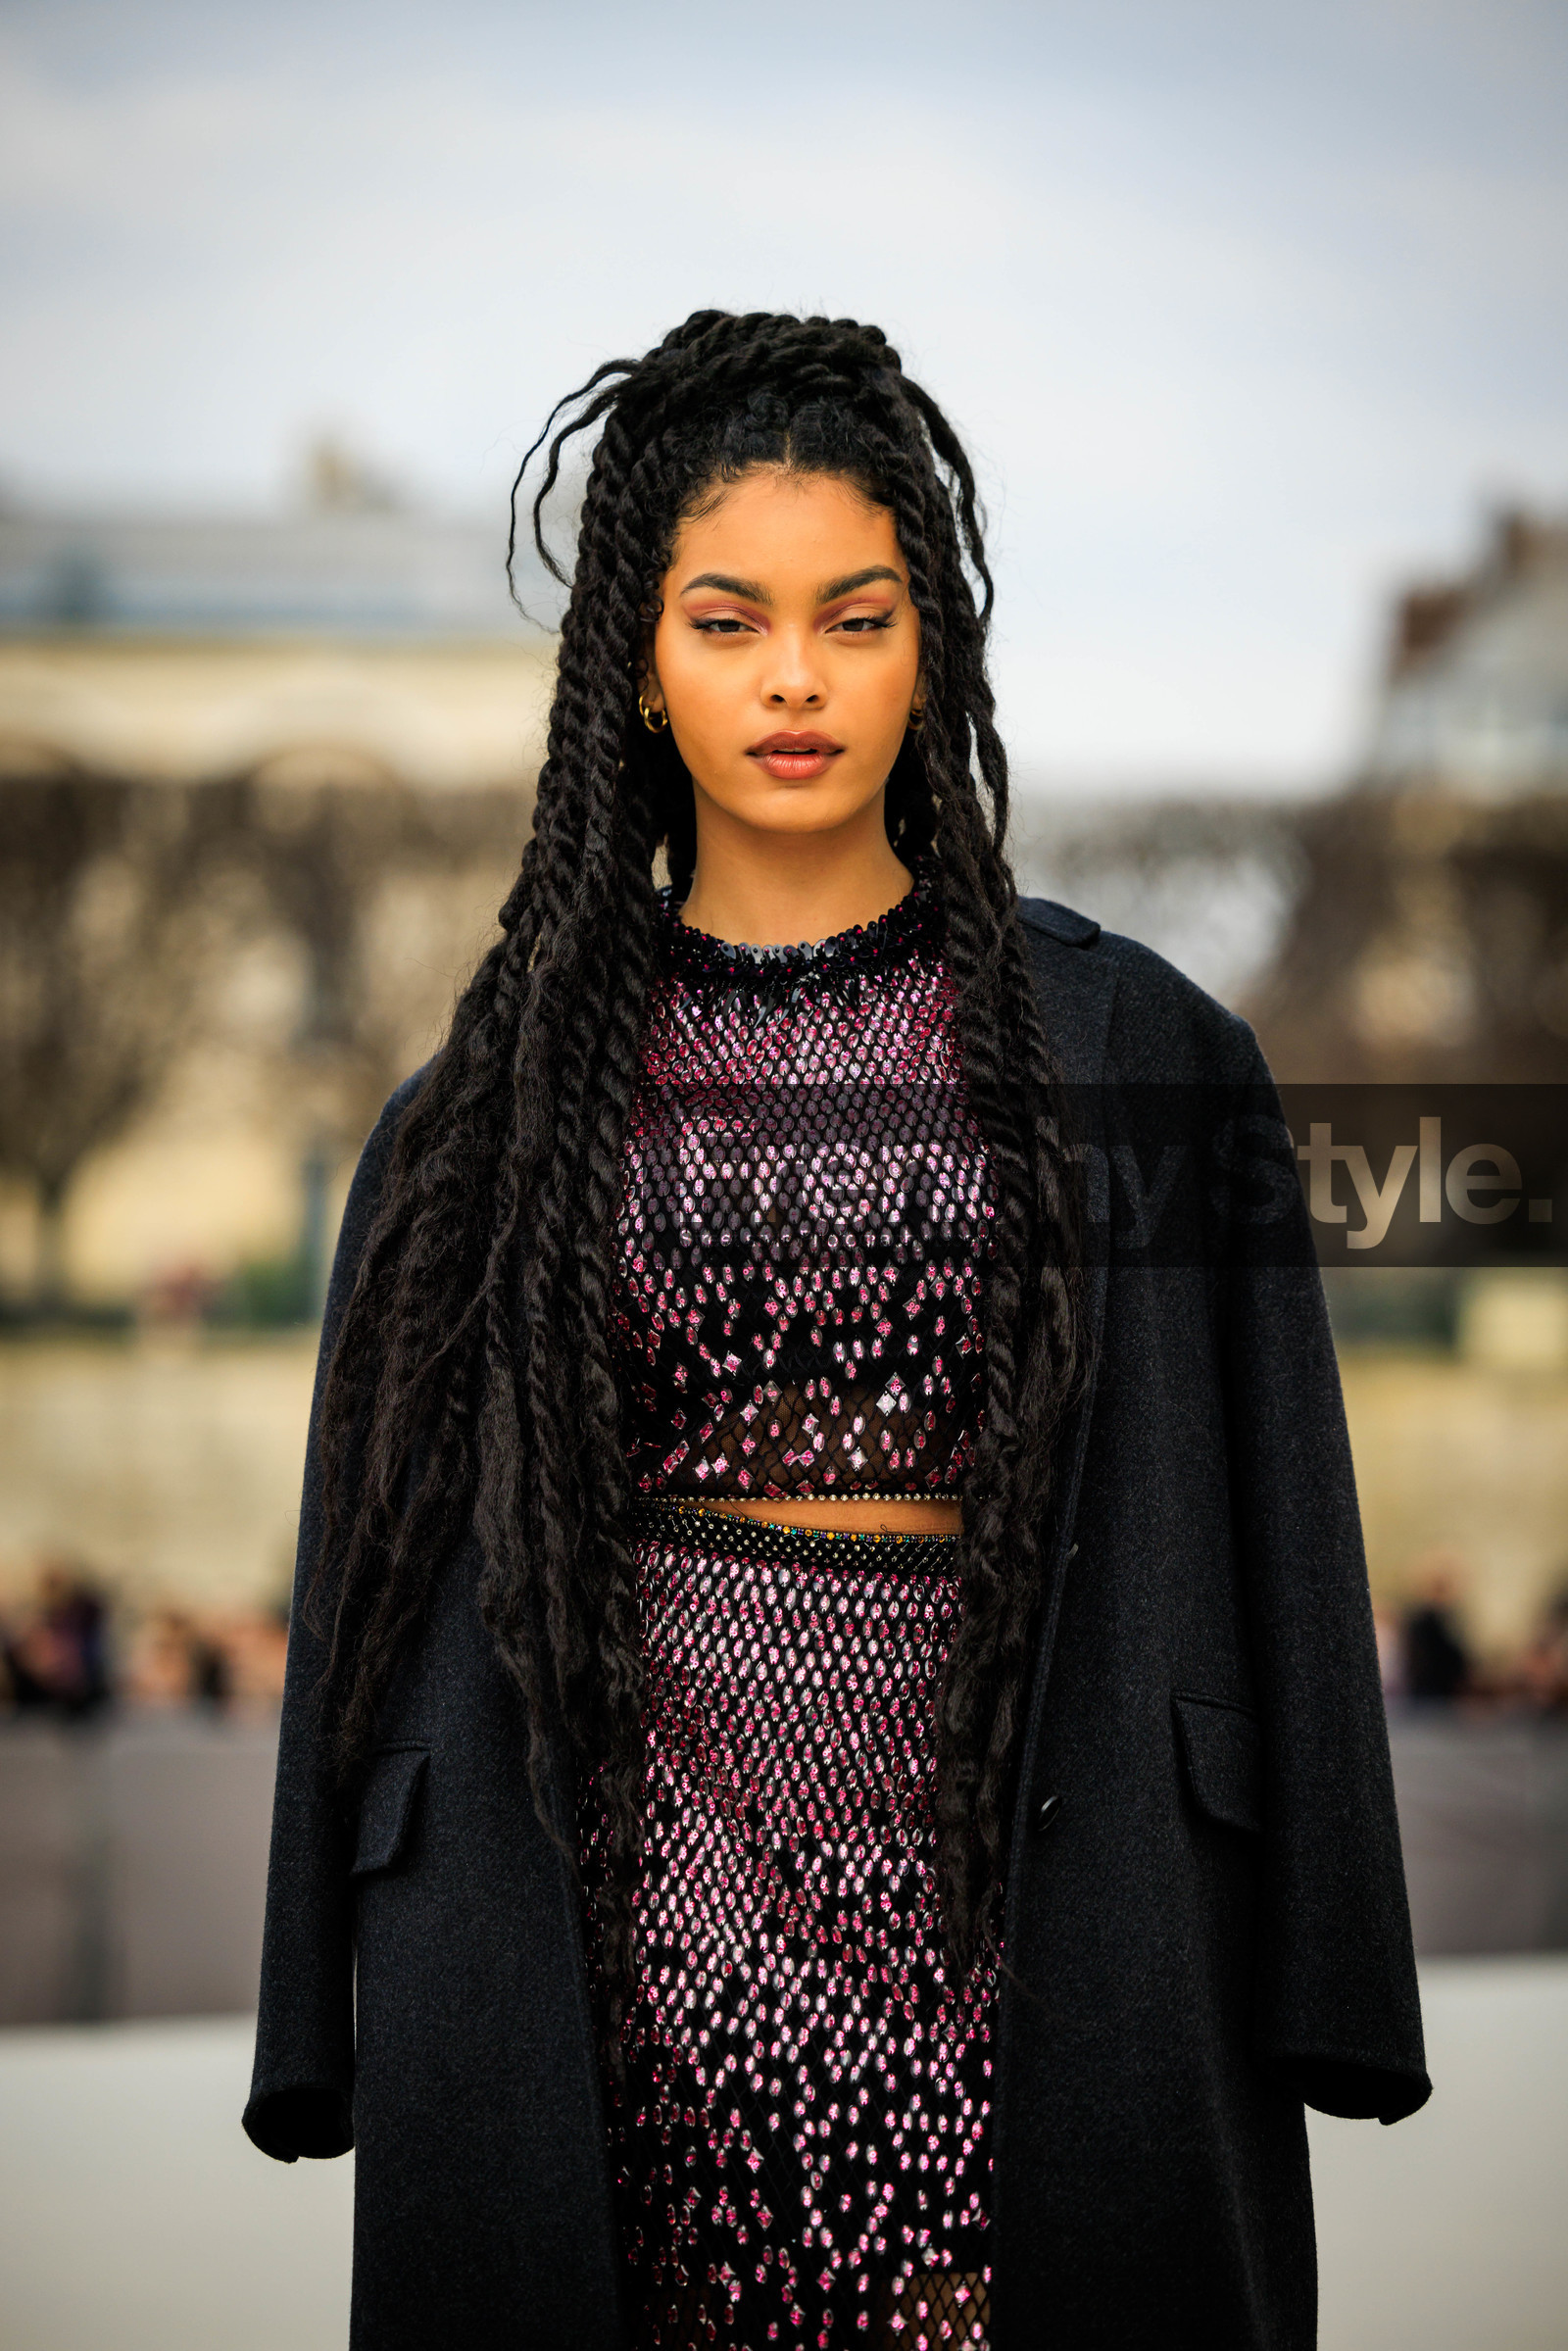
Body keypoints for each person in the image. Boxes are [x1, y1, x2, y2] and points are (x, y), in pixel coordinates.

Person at [244, 313, 1428, 2351]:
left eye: (852, 617)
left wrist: (1335, 1966)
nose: (792, 677)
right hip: (619, 1924)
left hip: (1044, 1914)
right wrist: (312, 2012)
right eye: (726, 620)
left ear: (928, 648)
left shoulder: (1142, 1050)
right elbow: (363, 1577)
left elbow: (1280, 1526)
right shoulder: (472, 1115)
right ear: (634, 655)